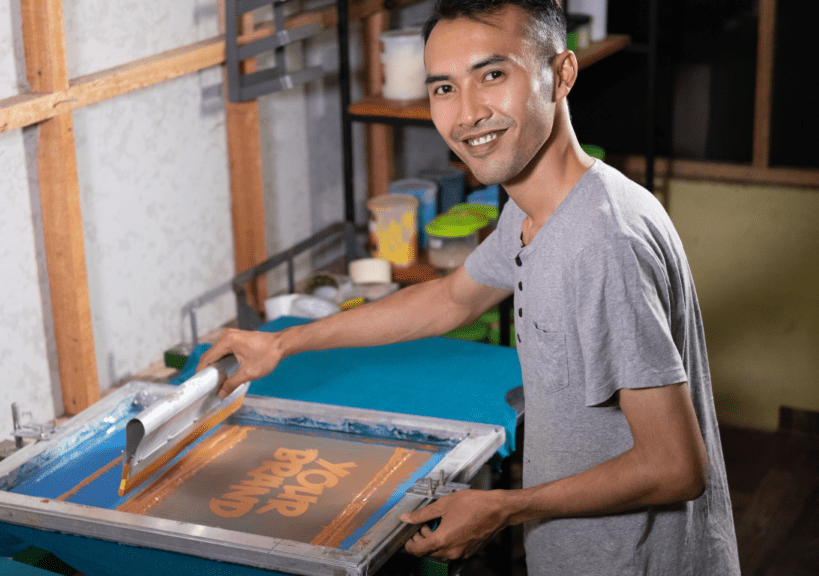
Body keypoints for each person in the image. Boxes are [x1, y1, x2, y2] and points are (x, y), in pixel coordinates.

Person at [198, 0, 740, 573]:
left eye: (493, 75)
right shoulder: (537, 209)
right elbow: (451, 298)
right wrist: (281, 344)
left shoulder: (601, 241)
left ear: (561, 75)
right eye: (443, 89)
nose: (467, 115)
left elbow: (675, 465)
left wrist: (503, 508)